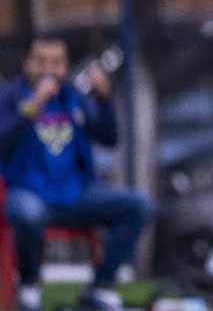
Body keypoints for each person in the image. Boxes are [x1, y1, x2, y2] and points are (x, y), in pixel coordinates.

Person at [0, 37, 152, 311]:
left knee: (138, 206)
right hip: (28, 192)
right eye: (40, 61)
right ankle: (29, 285)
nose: (49, 69)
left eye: (56, 62)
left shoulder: (73, 97)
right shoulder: (9, 97)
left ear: (66, 66)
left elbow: (109, 138)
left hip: (76, 194)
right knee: (26, 214)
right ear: (26, 63)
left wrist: (104, 98)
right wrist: (34, 103)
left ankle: (101, 286)